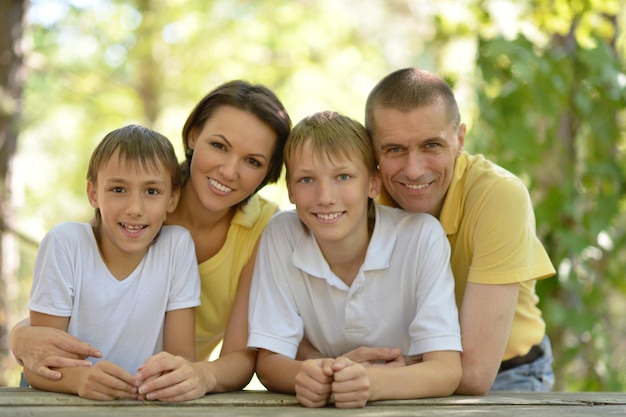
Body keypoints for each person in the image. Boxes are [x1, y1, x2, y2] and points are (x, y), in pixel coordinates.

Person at [10, 80, 292, 401]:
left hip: (156, 389)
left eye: (252, 161)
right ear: (193, 136)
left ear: (269, 170)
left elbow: (239, 356)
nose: (229, 171)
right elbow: (83, 291)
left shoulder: (262, 229)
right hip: (77, 391)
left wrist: (200, 374)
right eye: (219, 146)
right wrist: (22, 335)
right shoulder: (141, 208)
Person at [357, 67, 557, 394]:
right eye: (394, 149)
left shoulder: (498, 195)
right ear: (371, 151)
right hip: (397, 372)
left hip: (505, 375)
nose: (414, 169)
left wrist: (364, 372)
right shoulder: (361, 197)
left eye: (432, 145)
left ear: (460, 140)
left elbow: (475, 374)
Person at [247, 111, 462, 408]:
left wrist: (370, 383)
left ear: (373, 184)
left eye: (343, 177)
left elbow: (447, 370)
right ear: (291, 191)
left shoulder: (421, 237)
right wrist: (308, 375)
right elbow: (269, 362)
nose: (325, 197)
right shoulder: (281, 234)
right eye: (307, 179)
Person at [23, 125, 201, 400]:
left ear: (172, 198)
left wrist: (164, 379)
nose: (134, 208)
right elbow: (38, 365)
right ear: (93, 193)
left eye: (151, 191)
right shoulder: (66, 243)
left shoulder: (176, 247)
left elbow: (181, 357)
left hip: (137, 403)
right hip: (59, 398)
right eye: (118, 189)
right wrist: (81, 379)